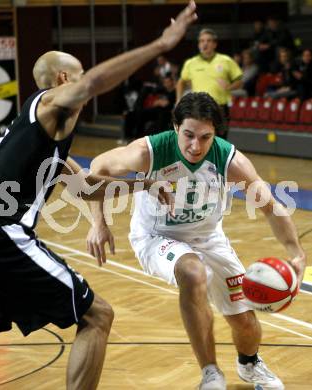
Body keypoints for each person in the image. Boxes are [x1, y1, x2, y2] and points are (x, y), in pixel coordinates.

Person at [0, 2, 197, 389]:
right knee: (97, 316)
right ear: (64, 78)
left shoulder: (35, 136)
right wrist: (159, 45)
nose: (86, 85)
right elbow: (93, 84)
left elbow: (87, 186)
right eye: (80, 76)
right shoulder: (49, 103)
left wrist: (145, 184)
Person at [86, 92, 306, 390]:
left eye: (205, 137)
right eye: (188, 135)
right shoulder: (148, 151)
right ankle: (210, 373)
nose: (195, 145)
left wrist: (296, 252)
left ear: (215, 134)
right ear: (175, 126)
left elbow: (271, 206)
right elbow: (97, 168)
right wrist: (98, 222)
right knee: (193, 272)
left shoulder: (229, 160)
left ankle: (249, 364)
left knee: (244, 322)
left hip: (209, 238)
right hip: (156, 237)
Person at [176, 28, 243, 139]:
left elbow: (240, 81)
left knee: (221, 142)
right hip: (198, 109)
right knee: (200, 141)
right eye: (201, 41)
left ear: (214, 44)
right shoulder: (191, 63)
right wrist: (178, 100)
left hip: (220, 108)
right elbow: (181, 82)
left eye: (208, 41)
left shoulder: (226, 60)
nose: (204, 44)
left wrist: (230, 86)